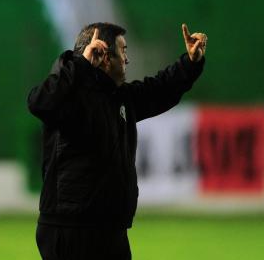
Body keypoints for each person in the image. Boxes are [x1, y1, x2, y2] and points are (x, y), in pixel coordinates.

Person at [27, 22, 207, 260]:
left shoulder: (119, 97)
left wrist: (190, 63)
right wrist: (82, 63)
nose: (127, 59)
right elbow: (39, 102)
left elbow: (160, 89)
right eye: (123, 51)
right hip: (71, 229)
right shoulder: (68, 93)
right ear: (103, 56)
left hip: (110, 228)